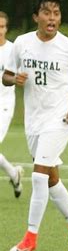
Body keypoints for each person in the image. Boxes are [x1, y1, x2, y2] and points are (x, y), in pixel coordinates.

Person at [2, 0, 68, 251]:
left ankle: (30, 237)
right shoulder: (21, 43)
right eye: (46, 13)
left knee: (39, 175)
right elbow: (6, 76)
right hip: (34, 120)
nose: (52, 18)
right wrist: (13, 79)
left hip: (60, 118)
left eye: (56, 13)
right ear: (36, 16)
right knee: (51, 178)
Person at [0, 11, 23, 198]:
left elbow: (22, 73)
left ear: (6, 28)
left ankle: (14, 174)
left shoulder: (13, 49)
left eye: (2, 27)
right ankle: (14, 174)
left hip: (4, 104)